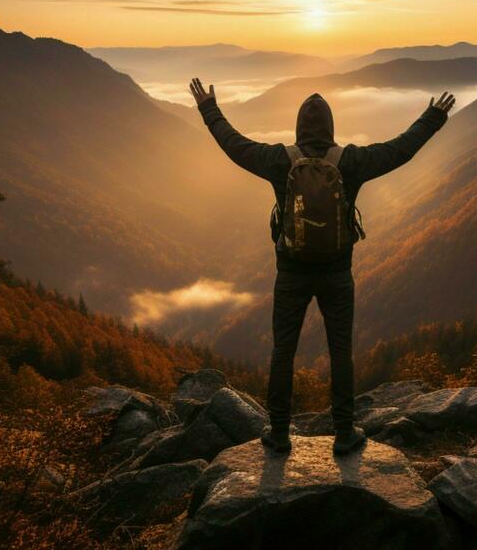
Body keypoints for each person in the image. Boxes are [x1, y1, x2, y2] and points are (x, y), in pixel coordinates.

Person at [190, 78, 454, 455]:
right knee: (340, 350)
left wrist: (208, 108)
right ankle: (344, 433)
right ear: (331, 127)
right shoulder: (350, 162)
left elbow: (233, 144)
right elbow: (400, 150)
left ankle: (279, 433)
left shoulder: (279, 160)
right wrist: (433, 116)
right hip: (337, 273)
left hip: (291, 273)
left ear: (298, 127)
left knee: (283, 351)